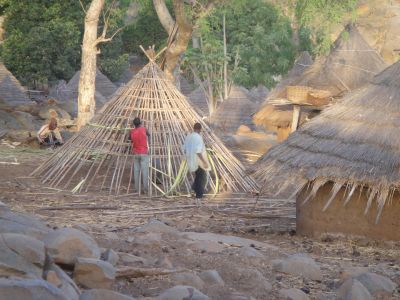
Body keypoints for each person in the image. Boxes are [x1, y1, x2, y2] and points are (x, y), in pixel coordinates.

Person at [183, 122, 210, 201]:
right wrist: (204, 161)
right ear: (200, 129)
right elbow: (198, 151)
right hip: (198, 161)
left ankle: (194, 189)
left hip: (191, 160)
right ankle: (199, 195)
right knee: (202, 178)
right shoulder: (198, 137)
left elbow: (184, 148)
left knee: (198, 176)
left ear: (194, 128)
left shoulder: (189, 136)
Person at [130, 117, 150, 194]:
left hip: (136, 153)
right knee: (145, 171)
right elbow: (149, 135)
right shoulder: (144, 129)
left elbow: (130, 139)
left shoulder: (132, 131)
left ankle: (136, 189)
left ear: (134, 124)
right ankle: (145, 189)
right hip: (144, 152)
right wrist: (148, 144)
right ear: (140, 123)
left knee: (136, 171)